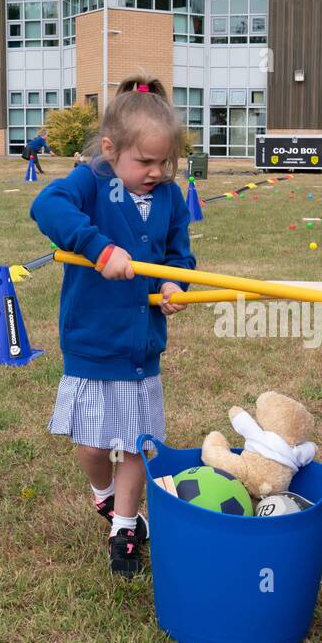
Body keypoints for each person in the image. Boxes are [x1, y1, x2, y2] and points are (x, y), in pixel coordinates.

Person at [29, 76, 196, 578]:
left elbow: (178, 256)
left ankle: (124, 525)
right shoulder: (90, 181)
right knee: (94, 444)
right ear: (110, 149)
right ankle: (103, 494)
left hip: (141, 348)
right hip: (92, 342)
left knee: (139, 444)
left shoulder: (169, 197)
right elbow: (45, 207)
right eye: (144, 162)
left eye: (164, 163)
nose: (155, 172)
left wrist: (175, 287)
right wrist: (99, 249)